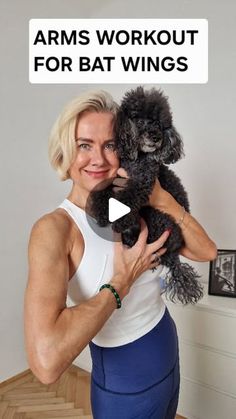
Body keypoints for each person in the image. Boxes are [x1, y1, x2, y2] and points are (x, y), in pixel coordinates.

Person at [24, 90, 217, 419]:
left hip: (166, 347)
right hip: (124, 385)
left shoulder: (135, 202)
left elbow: (206, 251)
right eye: (84, 145)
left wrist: (164, 202)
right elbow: (46, 363)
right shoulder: (55, 229)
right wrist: (120, 283)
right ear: (65, 151)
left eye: (110, 144)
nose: (98, 159)